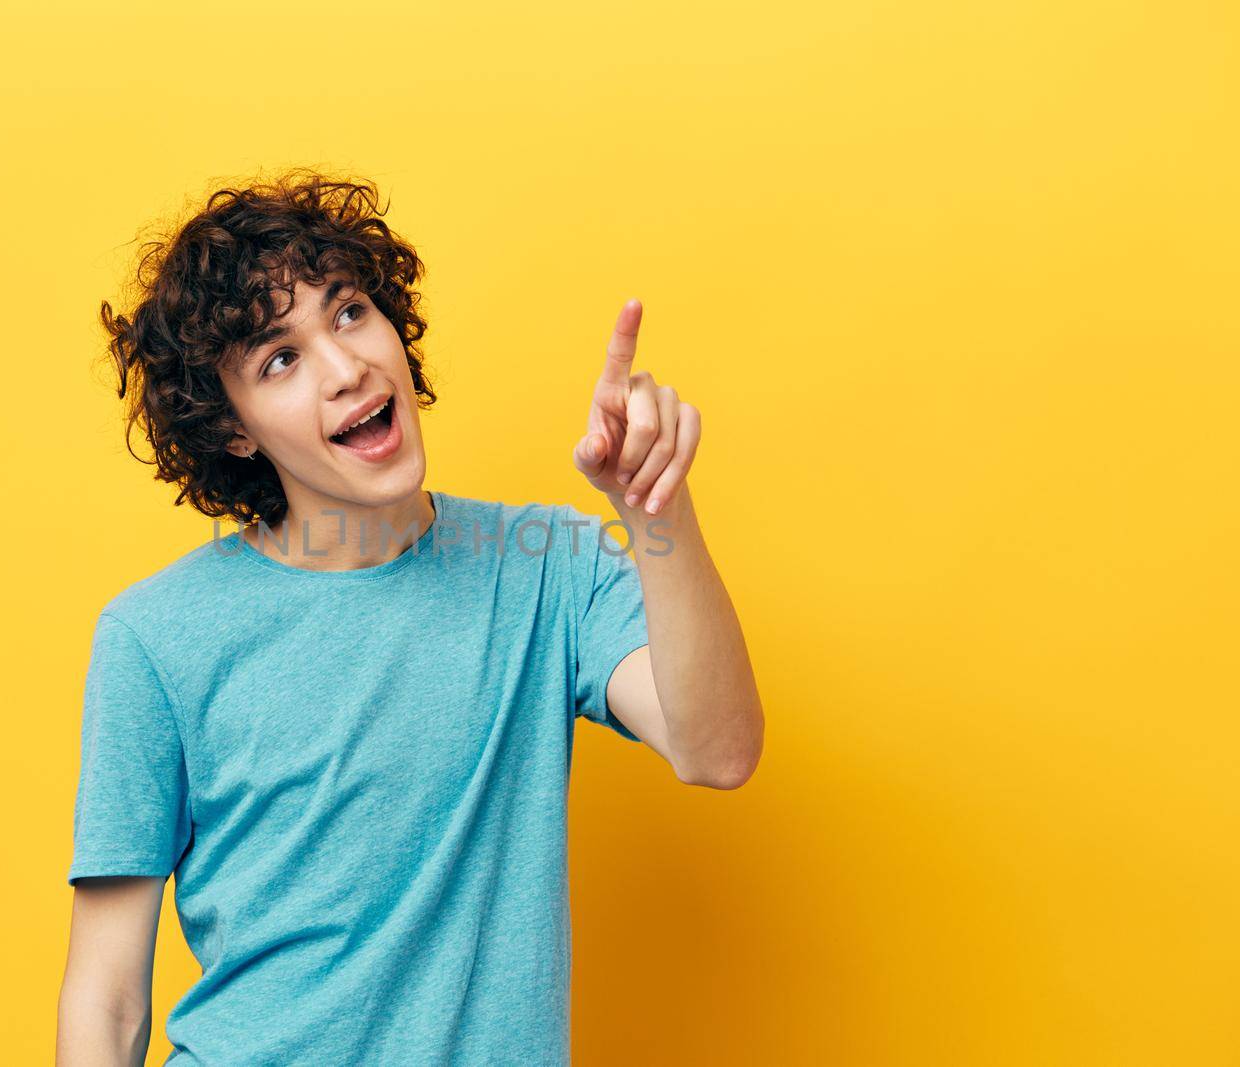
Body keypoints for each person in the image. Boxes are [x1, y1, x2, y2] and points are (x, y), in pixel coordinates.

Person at [55, 168, 764, 1067]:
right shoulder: (155, 638)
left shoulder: (546, 569)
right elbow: (107, 996)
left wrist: (655, 511)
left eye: (349, 312)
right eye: (281, 358)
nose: (347, 368)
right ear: (233, 430)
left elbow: (718, 750)